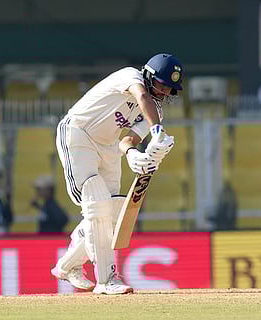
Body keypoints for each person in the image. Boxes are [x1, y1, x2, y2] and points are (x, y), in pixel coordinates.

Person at [50, 53, 182, 294]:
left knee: (113, 212)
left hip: (109, 146)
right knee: (97, 204)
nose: (165, 92)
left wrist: (133, 154)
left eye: (170, 89)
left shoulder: (155, 111)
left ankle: (67, 266)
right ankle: (106, 279)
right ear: (150, 77)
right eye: (162, 85)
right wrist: (158, 132)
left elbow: (128, 140)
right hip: (78, 134)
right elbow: (142, 96)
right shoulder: (129, 76)